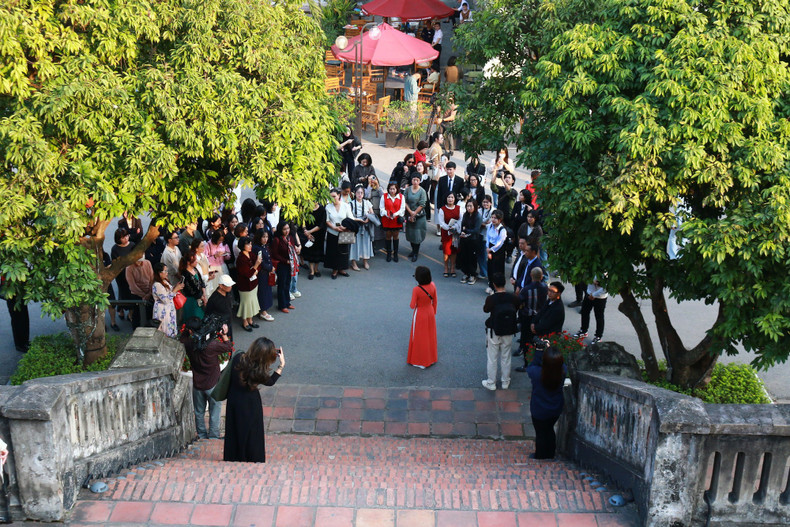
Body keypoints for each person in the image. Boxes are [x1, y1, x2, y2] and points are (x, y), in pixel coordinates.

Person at [224, 337, 285, 462]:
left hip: (234, 399)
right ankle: (251, 458)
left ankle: (234, 457)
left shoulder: (238, 358)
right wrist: (281, 365)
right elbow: (271, 381)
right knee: (252, 432)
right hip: (251, 403)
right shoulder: (258, 372)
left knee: (234, 430)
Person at [181, 316, 233, 440]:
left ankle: (202, 436)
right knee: (215, 411)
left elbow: (182, 338)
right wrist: (224, 334)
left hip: (198, 384)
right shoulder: (211, 345)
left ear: (190, 331)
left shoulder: (188, 343)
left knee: (199, 412)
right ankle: (213, 436)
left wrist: (187, 331)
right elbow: (228, 347)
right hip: (213, 384)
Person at [482, 273, 520, 390]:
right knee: (506, 356)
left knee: (492, 358)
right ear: (505, 283)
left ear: (494, 284)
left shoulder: (491, 299)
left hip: (494, 330)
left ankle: (491, 382)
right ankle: (505, 381)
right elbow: (517, 307)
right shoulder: (513, 297)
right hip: (508, 329)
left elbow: (486, 309)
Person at [527, 346, 566, 459]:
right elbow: (558, 364)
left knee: (540, 432)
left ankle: (540, 455)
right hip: (555, 408)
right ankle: (550, 453)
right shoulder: (563, 371)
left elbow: (531, 366)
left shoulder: (536, 373)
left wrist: (539, 352)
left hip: (539, 409)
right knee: (549, 429)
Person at [514, 267, 548, 364]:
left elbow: (519, 302)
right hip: (539, 317)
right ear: (541, 277)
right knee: (535, 339)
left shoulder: (526, 289)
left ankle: (527, 362)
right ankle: (535, 358)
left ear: (531, 275)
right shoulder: (544, 287)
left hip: (527, 317)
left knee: (525, 340)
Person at [407, 266, 438, 369]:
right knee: (430, 335)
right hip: (430, 311)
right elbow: (435, 300)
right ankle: (431, 358)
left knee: (419, 337)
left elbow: (412, 305)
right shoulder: (433, 285)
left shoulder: (416, 289)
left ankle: (419, 360)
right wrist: (433, 311)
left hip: (420, 313)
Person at [325, 188, 353, 279]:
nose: (333, 199)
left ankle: (341, 269)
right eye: (331, 197)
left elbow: (350, 218)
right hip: (332, 232)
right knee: (333, 251)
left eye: (334, 196)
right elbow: (327, 220)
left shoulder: (346, 206)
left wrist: (344, 227)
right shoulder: (328, 207)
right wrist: (334, 227)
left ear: (339, 195)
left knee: (343, 251)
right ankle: (334, 270)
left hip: (344, 232)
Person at [235, 236, 261, 331]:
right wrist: (256, 267)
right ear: (243, 245)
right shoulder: (241, 258)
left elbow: (258, 265)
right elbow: (247, 274)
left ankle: (250, 319)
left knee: (252, 301)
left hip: (253, 282)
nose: (250, 246)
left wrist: (255, 269)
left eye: (250, 244)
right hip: (245, 285)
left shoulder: (251, 254)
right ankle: (245, 321)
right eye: (248, 244)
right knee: (245, 304)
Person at [270, 221, 297, 313]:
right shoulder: (277, 240)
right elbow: (275, 254)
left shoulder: (290, 238)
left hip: (290, 264)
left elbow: (293, 248)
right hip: (282, 264)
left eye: (288, 228)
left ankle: (287, 302)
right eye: (284, 229)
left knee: (287, 283)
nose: (287, 231)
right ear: (280, 230)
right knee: (281, 284)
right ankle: (282, 305)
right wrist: (285, 261)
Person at [573, 278, 608, 344]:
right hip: (589, 293)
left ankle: (598, 336)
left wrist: (594, 295)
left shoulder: (606, 273)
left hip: (600, 297)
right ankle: (583, 330)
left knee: (599, 316)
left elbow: (606, 288)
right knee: (584, 312)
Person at [111, 228, 135, 323]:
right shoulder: (115, 249)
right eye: (123, 237)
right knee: (123, 292)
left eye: (127, 236)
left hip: (131, 273)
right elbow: (115, 263)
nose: (126, 238)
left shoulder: (132, 245)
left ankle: (130, 313)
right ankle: (120, 309)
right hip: (121, 274)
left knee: (131, 292)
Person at [404, 173, 428, 262]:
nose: (415, 182)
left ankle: (415, 253)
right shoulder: (407, 190)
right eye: (414, 180)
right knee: (410, 234)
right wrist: (410, 212)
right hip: (409, 214)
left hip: (419, 216)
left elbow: (422, 204)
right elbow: (404, 201)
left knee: (417, 235)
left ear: (420, 181)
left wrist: (414, 213)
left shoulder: (422, 191)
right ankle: (413, 250)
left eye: (417, 180)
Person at [251, 230, 274, 322]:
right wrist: (270, 268)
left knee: (266, 290)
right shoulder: (257, 248)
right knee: (263, 292)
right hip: (261, 273)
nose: (265, 239)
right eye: (263, 237)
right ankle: (263, 312)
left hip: (266, 272)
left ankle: (264, 310)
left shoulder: (263, 246)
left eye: (267, 237)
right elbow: (261, 262)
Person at [349, 185, 374, 271]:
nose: (360, 194)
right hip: (355, 226)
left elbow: (372, 213)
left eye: (361, 193)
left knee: (365, 243)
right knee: (354, 244)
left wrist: (368, 218)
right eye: (358, 192)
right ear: (355, 193)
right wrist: (358, 219)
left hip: (365, 226)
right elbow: (349, 216)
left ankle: (365, 261)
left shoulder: (367, 203)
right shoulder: (351, 204)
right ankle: (353, 262)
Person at [125, 256, 154, 328]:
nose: (139, 263)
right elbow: (132, 286)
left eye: (140, 261)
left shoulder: (147, 263)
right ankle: (135, 329)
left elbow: (152, 279)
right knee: (136, 314)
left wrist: (149, 293)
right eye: (137, 261)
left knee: (150, 313)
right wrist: (144, 295)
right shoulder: (129, 268)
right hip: (136, 294)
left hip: (148, 291)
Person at [205, 274, 237, 339]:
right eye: (228, 285)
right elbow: (208, 313)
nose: (230, 287)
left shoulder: (228, 293)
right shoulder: (214, 299)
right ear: (221, 286)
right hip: (220, 329)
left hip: (228, 324)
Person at [380, 181, 406, 262]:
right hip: (387, 219)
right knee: (388, 236)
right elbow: (381, 208)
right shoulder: (384, 196)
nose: (392, 191)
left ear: (397, 189)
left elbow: (402, 209)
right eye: (390, 189)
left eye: (393, 189)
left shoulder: (401, 197)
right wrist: (387, 214)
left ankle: (395, 254)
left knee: (395, 236)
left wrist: (395, 214)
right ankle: (388, 253)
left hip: (396, 220)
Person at [438, 191, 461, 277]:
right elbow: (441, 222)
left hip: (455, 233)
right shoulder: (442, 209)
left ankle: (452, 268)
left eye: (452, 197)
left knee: (454, 250)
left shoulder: (458, 208)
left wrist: (455, 228)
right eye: (448, 197)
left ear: (454, 199)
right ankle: (446, 268)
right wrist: (448, 228)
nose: (450, 199)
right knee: (446, 251)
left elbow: (460, 220)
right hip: (446, 233)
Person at [458, 199, 481, 284]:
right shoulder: (465, 215)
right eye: (468, 206)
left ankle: (472, 274)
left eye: (471, 206)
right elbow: (463, 226)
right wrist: (462, 232)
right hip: (464, 239)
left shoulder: (478, 216)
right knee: (464, 256)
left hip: (473, 240)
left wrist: (466, 231)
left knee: (472, 258)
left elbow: (476, 230)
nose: (469, 208)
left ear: (475, 206)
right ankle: (466, 273)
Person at [301, 201, 326, 279]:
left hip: (319, 234)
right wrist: (306, 232)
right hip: (309, 235)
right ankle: (311, 271)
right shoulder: (306, 209)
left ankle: (316, 269)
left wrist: (310, 231)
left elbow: (321, 224)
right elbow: (303, 221)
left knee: (318, 252)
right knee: (310, 253)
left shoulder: (322, 209)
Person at [179, 251, 206, 321]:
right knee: (192, 319)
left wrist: (204, 294)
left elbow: (201, 281)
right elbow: (190, 289)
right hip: (192, 300)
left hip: (200, 297)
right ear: (188, 262)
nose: (196, 261)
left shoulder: (195, 269)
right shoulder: (185, 273)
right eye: (194, 260)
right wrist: (202, 297)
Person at [485, 210, 508, 294]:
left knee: (497, 269)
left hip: (498, 251)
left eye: (495, 218)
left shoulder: (502, 230)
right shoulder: (490, 226)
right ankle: (491, 285)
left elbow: (500, 243)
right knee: (490, 268)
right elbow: (487, 237)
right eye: (492, 217)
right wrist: (488, 247)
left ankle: (498, 288)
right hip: (490, 248)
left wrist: (491, 249)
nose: (493, 220)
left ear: (500, 219)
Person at [478, 195, 493, 279]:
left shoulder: (493, 211)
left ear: (490, 203)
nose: (485, 204)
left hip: (488, 236)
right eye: (484, 202)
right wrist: (484, 223)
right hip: (479, 234)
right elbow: (478, 222)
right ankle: (483, 272)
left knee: (485, 254)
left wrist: (483, 224)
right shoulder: (479, 210)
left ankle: (485, 273)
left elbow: (490, 224)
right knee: (480, 254)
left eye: (487, 202)